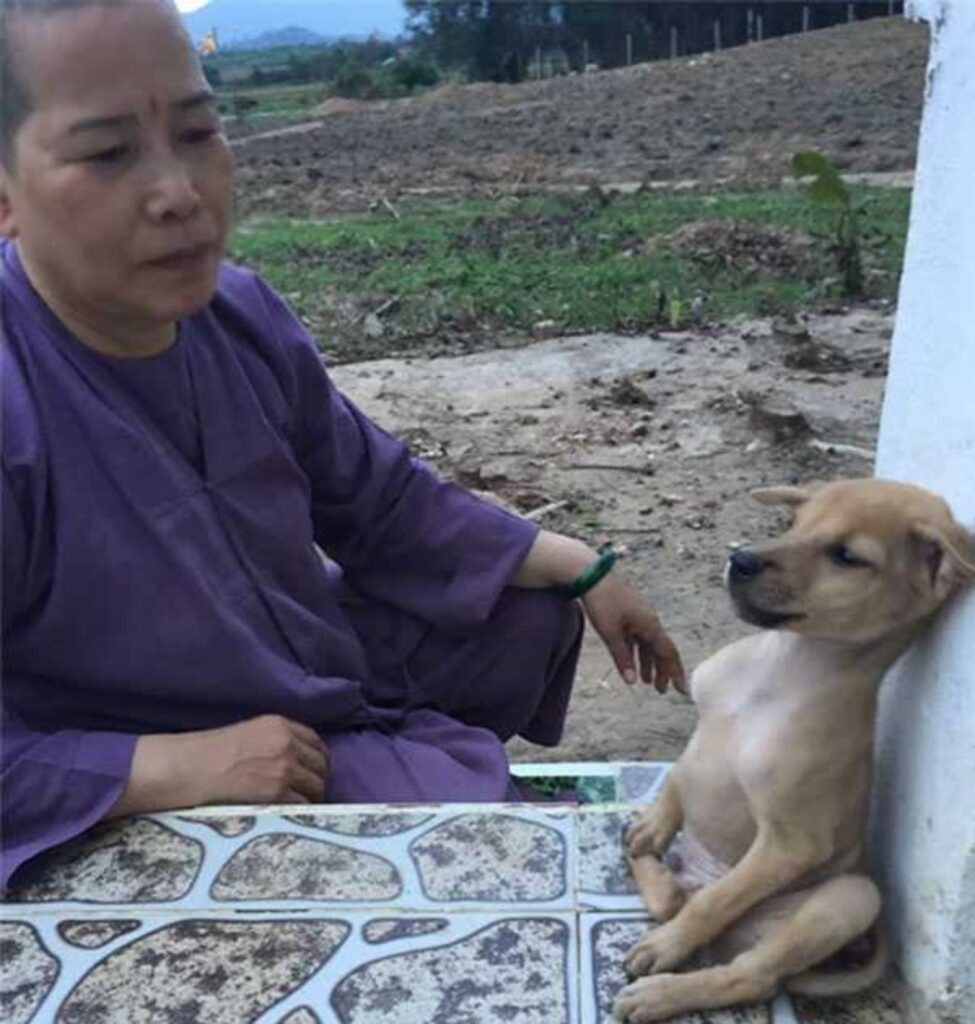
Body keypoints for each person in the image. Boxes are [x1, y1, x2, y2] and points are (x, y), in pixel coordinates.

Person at [0, 0, 685, 890]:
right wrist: (158, 772)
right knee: (471, 861)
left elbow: (378, 498)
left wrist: (582, 565)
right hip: (104, 739)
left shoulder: (240, 312)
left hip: (303, 664)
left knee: (523, 608)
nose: (180, 192)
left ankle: (371, 753)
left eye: (200, 133)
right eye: (107, 153)